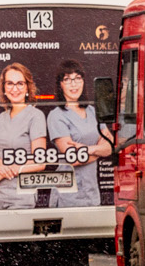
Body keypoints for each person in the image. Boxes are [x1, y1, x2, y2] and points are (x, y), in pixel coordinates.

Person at [46, 60, 112, 208]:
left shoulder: (93, 111)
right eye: (67, 80)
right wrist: (99, 149)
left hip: (91, 194)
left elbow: (110, 145)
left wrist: (88, 149)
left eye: (77, 78)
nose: (73, 84)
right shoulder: (56, 116)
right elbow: (73, 158)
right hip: (67, 197)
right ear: (60, 85)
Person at [0, 62, 46, 210]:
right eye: (10, 83)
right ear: (4, 88)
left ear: (27, 88)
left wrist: (4, 173)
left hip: (21, 198)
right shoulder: (1, 117)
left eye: (20, 83)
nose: (15, 89)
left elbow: (40, 162)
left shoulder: (35, 116)